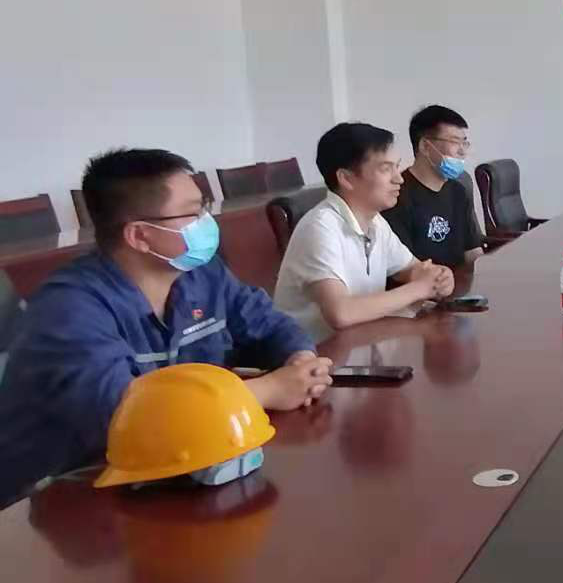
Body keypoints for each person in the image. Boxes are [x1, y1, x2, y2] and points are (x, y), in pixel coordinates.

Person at [0, 148, 332, 505]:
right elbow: (130, 417)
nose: (207, 222)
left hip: (171, 470)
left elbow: (269, 324)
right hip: (58, 498)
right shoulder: (69, 309)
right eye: (192, 213)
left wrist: (300, 361)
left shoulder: (203, 274)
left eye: (204, 208)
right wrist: (268, 390)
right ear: (140, 236)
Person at [274, 123, 455, 340]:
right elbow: (341, 313)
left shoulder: (376, 222)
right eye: (386, 169)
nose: (399, 178)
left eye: (397, 167)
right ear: (346, 178)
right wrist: (420, 288)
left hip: (361, 345)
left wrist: (440, 277)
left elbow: (414, 269)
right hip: (314, 354)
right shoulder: (320, 227)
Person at [383, 105, 486, 268]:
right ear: (425, 146)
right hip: (424, 282)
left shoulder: (458, 191)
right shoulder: (396, 197)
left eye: (464, 143)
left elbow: (472, 251)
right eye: (455, 142)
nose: (462, 151)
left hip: (461, 281)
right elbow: (404, 269)